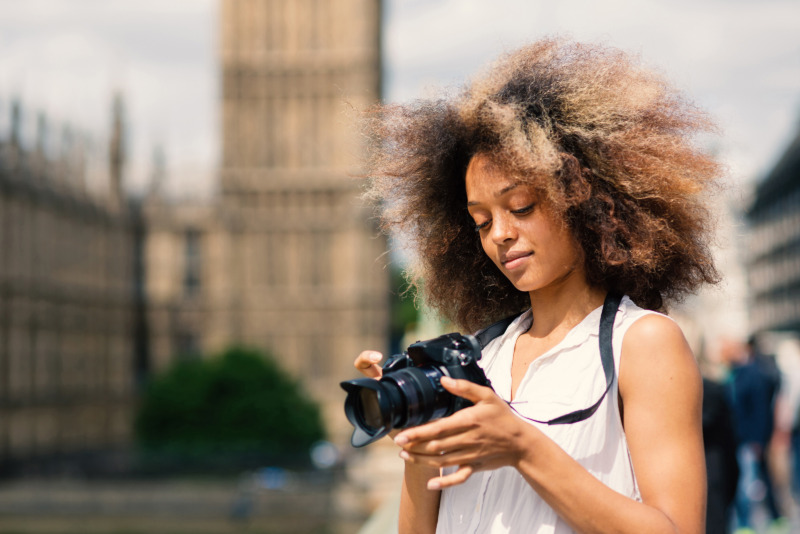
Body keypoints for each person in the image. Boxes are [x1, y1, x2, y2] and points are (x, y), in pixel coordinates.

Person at [353, 39, 722, 534]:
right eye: (481, 221)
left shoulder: (641, 343)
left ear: (587, 199)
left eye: (522, 206)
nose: (500, 234)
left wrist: (521, 447)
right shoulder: (479, 355)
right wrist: (420, 441)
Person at [727, 336, 785, 533]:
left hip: (750, 438)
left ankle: (745, 523)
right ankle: (773, 517)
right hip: (746, 437)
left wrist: (758, 440)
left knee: (747, 482)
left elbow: (759, 410)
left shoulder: (752, 373)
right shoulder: (740, 372)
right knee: (759, 479)